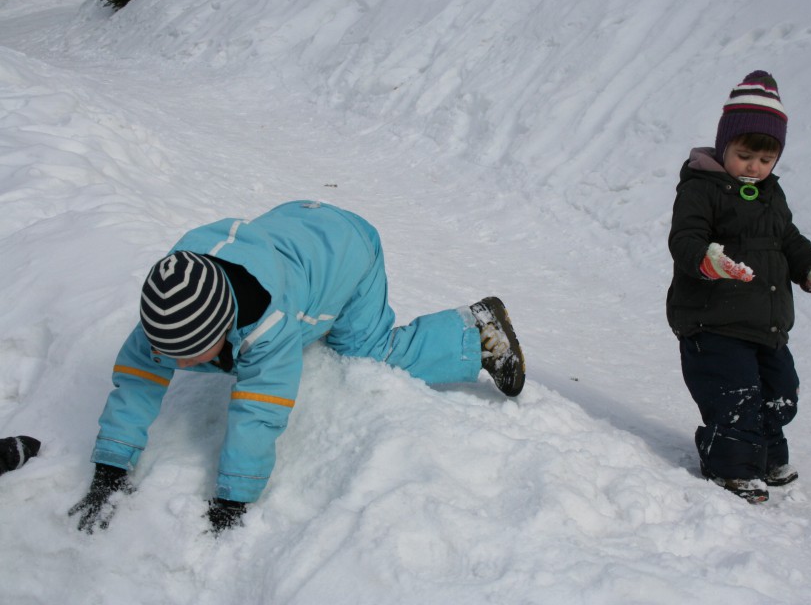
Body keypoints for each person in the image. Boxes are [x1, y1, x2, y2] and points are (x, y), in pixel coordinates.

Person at [70, 200, 525, 533]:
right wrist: (111, 467)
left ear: (223, 325)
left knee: (366, 351)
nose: (179, 363)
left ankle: (477, 330)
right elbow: (137, 380)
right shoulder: (176, 302)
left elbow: (261, 407)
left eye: (190, 355)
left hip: (348, 248)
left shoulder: (268, 324)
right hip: (299, 228)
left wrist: (233, 498)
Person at [665, 71, 811, 503]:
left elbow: (791, 241)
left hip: (767, 323)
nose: (754, 168)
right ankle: (731, 468)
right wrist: (708, 260)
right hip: (714, 319)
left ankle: (766, 457)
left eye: (765, 160)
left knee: (780, 395)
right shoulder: (702, 188)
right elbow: (685, 238)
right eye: (744, 156)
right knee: (735, 395)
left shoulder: (771, 195)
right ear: (725, 147)